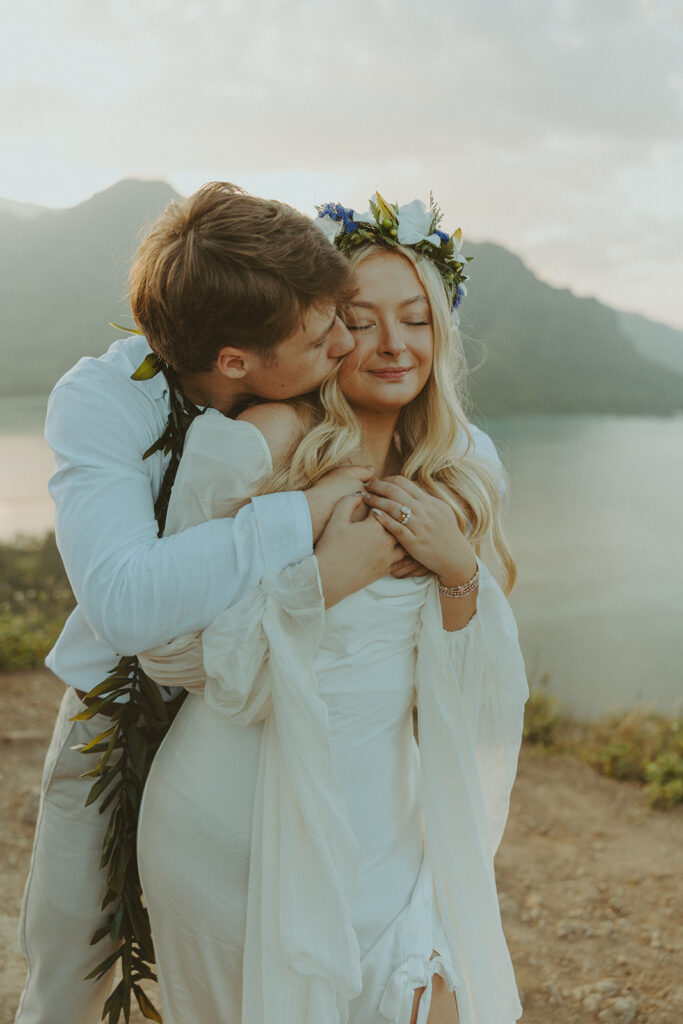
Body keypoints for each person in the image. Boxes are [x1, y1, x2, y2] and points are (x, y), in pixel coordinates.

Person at [15, 183, 405, 1024]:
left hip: (264, 713)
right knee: (73, 950)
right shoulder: (105, 398)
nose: (345, 341)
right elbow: (123, 603)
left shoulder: (327, 394)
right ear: (233, 360)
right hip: (120, 706)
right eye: (320, 333)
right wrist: (297, 513)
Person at [136, 195, 529, 1024]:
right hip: (235, 835)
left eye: (416, 318)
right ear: (319, 329)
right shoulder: (257, 443)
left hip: (388, 830)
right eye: (357, 319)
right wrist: (323, 580)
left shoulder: (462, 466)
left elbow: (469, 688)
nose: (391, 345)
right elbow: (167, 651)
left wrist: (458, 571)